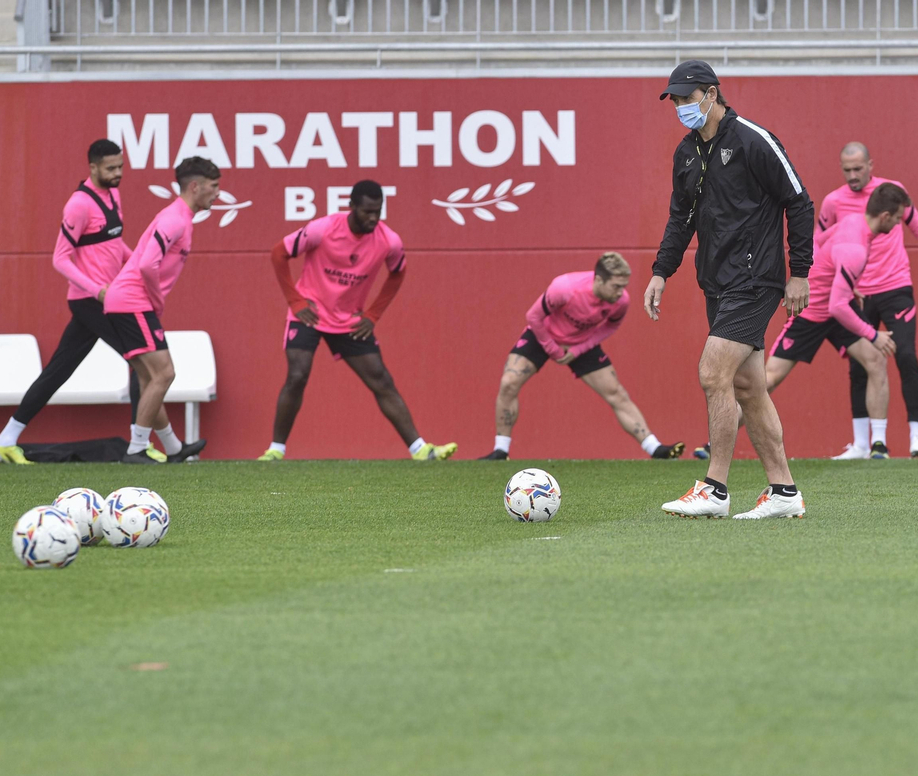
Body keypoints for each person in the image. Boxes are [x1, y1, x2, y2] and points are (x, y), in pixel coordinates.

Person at [649, 60, 813, 519]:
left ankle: (714, 489)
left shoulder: (753, 140)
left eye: (687, 97)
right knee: (747, 386)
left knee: (711, 372)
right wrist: (661, 271)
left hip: (756, 279)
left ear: (711, 93)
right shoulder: (685, 153)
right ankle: (784, 493)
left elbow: (798, 202)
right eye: (676, 100)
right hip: (717, 283)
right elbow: (680, 219)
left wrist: (799, 272)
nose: (681, 107)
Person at [0, 141, 205, 464]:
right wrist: (98, 290)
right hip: (91, 301)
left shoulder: (114, 195)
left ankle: (5, 440)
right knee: (142, 362)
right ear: (92, 167)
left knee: (58, 371)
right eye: (110, 169)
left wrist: (134, 264)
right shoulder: (79, 205)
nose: (117, 174)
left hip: (109, 298)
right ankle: (142, 445)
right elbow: (60, 259)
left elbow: (114, 245)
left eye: (120, 167)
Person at [258, 180, 456, 462]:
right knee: (297, 375)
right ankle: (275, 451)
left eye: (378, 211)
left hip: (348, 321)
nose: (373, 218)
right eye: (366, 212)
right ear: (351, 207)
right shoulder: (323, 229)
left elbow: (398, 273)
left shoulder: (389, 241)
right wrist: (295, 301)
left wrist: (373, 314)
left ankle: (421, 450)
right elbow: (279, 252)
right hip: (310, 313)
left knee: (381, 380)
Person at [815, 142, 918, 459]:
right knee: (859, 364)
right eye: (847, 169)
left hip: (895, 288)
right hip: (857, 293)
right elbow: (818, 243)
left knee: (906, 355)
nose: (853, 175)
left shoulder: (892, 193)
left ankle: (917, 436)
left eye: (858, 168)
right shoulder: (833, 202)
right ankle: (863, 444)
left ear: (870, 165)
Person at [479, 253, 684, 461]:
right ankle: (501, 451)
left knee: (616, 393)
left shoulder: (620, 301)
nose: (621, 292)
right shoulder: (565, 289)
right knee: (508, 383)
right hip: (543, 336)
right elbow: (533, 317)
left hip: (580, 343)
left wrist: (577, 350)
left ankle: (655, 449)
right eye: (616, 286)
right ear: (598, 280)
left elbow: (611, 326)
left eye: (624, 286)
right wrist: (553, 349)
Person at [767, 186, 904, 452]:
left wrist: (838, 280)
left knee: (875, 360)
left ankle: (877, 447)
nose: (900, 223)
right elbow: (838, 306)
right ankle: (714, 443)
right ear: (885, 216)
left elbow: (816, 242)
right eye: (898, 218)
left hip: (836, 305)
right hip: (815, 310)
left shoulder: (855, 222)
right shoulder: (856, 250)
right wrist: (873, 334)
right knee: (769, 378)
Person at [101, 156, 219, 464]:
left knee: (149, 376)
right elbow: (145, 264)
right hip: (132, 302)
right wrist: (156, 299)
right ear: (195, 187)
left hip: (126, 302)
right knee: (165, 373)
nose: (217, 194)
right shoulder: (175, 219)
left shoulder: (181, 217)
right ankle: (137, 448)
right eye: (213, 186)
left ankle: (174, 447)